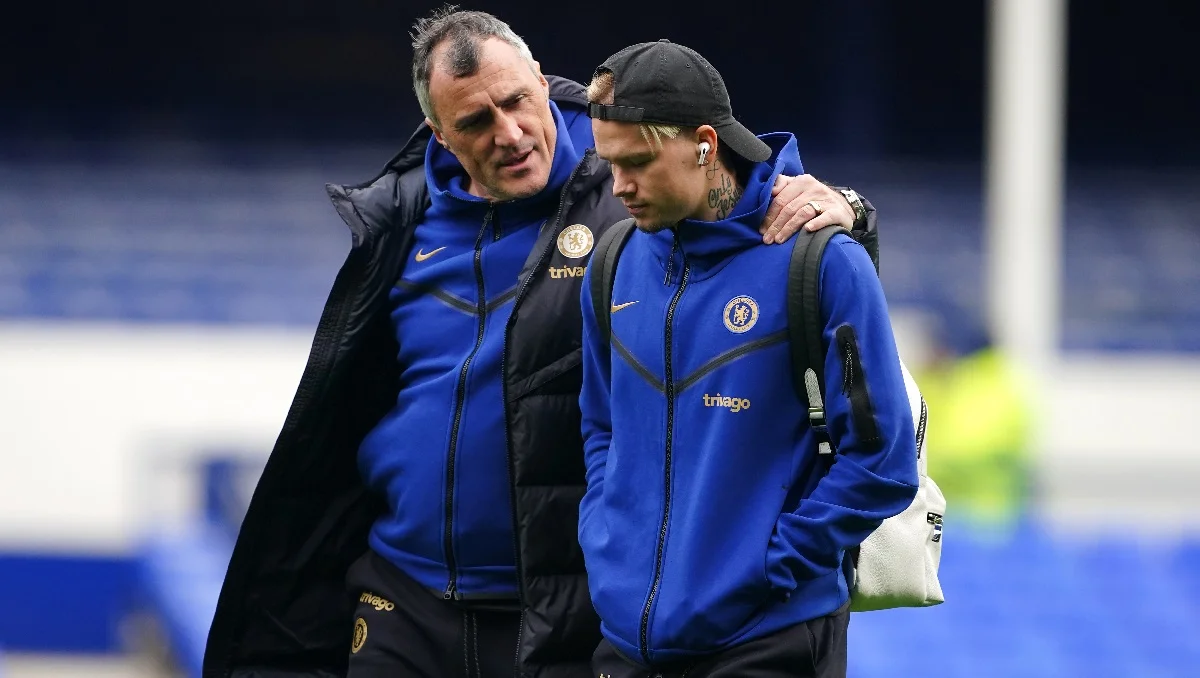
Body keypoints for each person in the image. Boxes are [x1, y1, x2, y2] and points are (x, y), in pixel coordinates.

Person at [203, 9, 881, 678]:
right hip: (401, 594)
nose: (509, 133)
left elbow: (737, 183)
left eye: (516, 101)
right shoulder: (401, 217)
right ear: (440, 134)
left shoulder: (625, 188)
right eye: (476, 121)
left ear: (540, 76)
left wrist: (850, 211)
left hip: (557, 610)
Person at [578, 40, 918, 678]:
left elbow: (883, 463)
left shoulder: (824, 262)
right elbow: (601, 426)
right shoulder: (612, 262)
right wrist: (606, 539)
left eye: (638, 162)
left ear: (706, 145)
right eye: (609, 163)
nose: (618, 185)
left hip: (766, 638)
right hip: (623, 643)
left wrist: (768, 567)